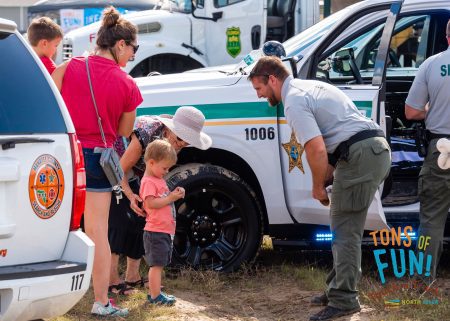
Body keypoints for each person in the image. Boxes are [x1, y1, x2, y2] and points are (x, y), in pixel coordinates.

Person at [248, 56, 391, 321]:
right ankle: (337, 289)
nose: (259, 95)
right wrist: (325, 179)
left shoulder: (293, 101)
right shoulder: (308, 87)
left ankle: (344, 300)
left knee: (344, 230)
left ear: (272, 79)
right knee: (344, 227)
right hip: (368, 152)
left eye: (259, 88)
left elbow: (315, 148)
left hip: (361, 156)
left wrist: (317, 187)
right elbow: (334, 141)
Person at [52, 6, 142, 317]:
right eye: (133, 48)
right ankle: (101, 301)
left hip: (67, 157)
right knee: (98, 232)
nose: (132, 55)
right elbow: (124, 132)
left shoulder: (68, 66)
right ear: (120, 44)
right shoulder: (127, 84)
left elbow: (54, 105)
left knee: (58, 227)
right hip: (99, 160)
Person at [108, 106, 212, 294]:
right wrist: (131, 196)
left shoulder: (174, 140)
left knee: (142, 220)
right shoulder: (144, 137)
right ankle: (111, 280)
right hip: (117, 163)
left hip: (140, 172)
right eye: (180, 139)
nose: (181, 144)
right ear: (170, 129)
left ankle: (132, 276)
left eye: (187, 142)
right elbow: (119, 170)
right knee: (119, 222)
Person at [404, 20, 450, 285]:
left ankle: (423, 282)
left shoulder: (431, 65)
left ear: (446, 37)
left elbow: (411, 112)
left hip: (441, 149)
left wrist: (432, 109)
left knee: (431, 221)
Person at [139, 139, 185, 305]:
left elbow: (163, 199)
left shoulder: (158, 180)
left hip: (163, 230)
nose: (167, 171)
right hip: (155, 230)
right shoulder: (148, 182)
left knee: (159, 264)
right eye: (165, 168)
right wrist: (171, 197)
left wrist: (174, 193)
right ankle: (155, 296)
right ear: (151, 163)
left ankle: (155, 293)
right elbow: (150, 203)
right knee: (156, 266)